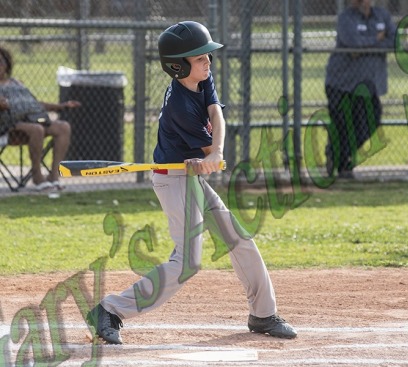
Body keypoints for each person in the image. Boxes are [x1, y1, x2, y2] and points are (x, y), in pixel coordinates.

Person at [85, 21, 297, 344]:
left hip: (191, 174)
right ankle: (109, 309)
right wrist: (209, 154)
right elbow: (205, 148)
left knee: (237, 237)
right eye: (200, 59)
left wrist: (216, 152)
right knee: (187, 263)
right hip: (173, 180)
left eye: (206, 57)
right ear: (178, 66)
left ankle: (263, 313)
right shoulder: (179, 107)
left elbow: (216, 115)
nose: (208, 63)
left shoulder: (201, 80)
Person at [324, 0, 395, 178]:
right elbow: (352, 45)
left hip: (368, 85)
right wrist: (377, 39)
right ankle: (344, 165)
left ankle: (336, 152)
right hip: (341, 83)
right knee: (343, 126)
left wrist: (366, 45)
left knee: (372, 121)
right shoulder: (345, 18)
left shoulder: (382, 15)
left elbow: (394, 41)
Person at [0, 45, 80, 191]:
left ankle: (54, 176)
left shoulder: (17, 83)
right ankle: (37, 176)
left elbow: (33, 104)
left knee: (63, 127)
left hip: (28, 122)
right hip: (6, 128)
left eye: (0, 62)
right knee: (37, 129)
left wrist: (61, 106)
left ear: (7, 65)